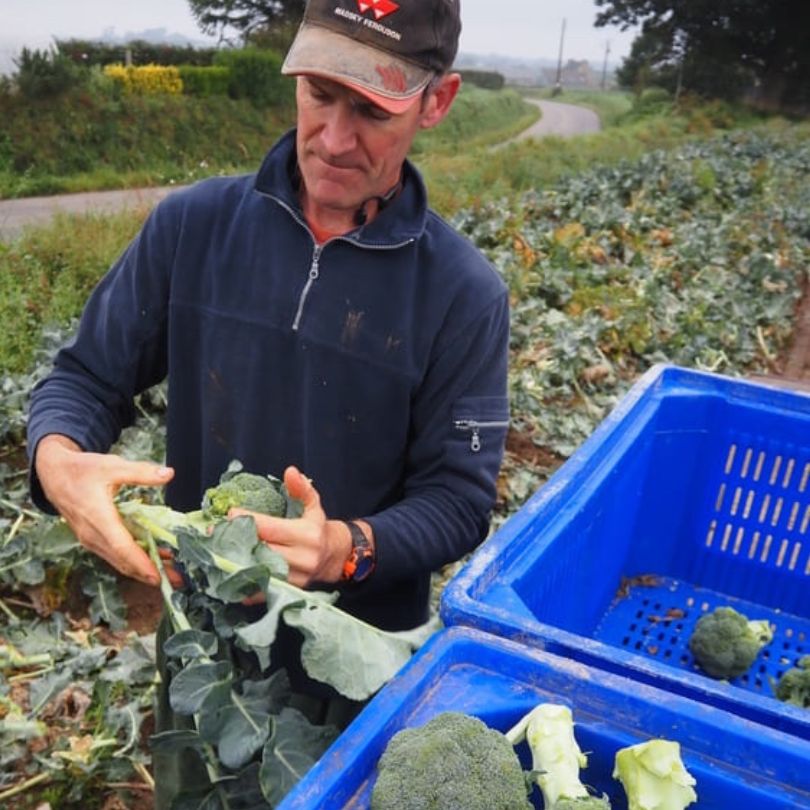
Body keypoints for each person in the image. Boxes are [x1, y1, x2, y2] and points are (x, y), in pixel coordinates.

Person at [27, 0, 510, 803]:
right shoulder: (193, 228)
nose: (332, 137)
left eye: (372, 109)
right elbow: (83, 379)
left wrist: (344, 548)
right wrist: (60, 463)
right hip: (203, 651)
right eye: (319, 92)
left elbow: (458, 499)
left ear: (437, 102)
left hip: (362, 667)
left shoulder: (462, 294)